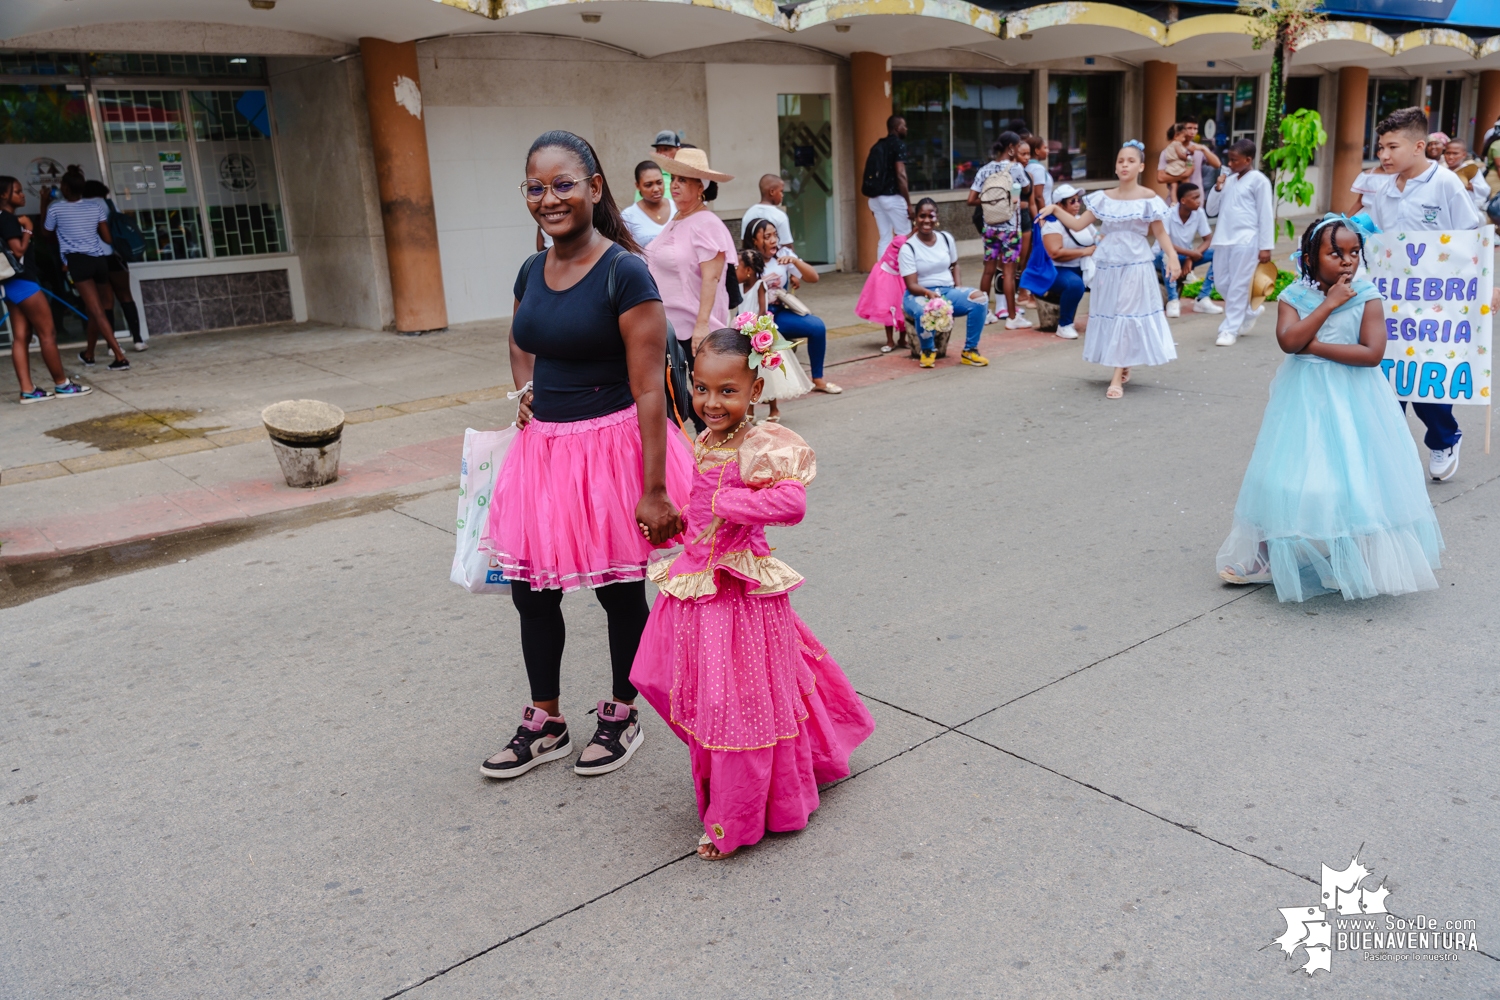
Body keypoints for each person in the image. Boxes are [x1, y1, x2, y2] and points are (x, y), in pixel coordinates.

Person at [478, 130, 695, 781]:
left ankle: (622, 711)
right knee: (531, 592)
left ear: (595, 189)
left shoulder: (625, 272)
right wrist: (525, 389)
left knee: (617, 591)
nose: (549, 198)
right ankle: (546, 719)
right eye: (536, 187)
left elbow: (649, 388)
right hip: (543, 452)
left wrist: (654, 489)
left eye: (564, 184)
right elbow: (520, 335)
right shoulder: (530, 268)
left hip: (612, 450)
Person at [629, 326, 875, 860]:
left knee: (732, 705)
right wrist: (672, 530)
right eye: (702, 388)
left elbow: (792, 505)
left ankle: (736, 817)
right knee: (657, 676)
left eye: (728, 391)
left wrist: (729, 505)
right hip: (694, 580)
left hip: (737, 590)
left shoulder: (763, 444)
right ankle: (742, 776)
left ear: (755, 390)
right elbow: (697, 512)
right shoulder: (706, 438)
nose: (711, 403)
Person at [1217, 215, 1443, 601]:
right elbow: (1289, 341)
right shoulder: (1292, 296)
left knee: (1351, 474)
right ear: (1309, 257)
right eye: (1335, 252)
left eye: (1354, 252)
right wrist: (1329, 304)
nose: (1347, 260)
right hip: (1302, 397)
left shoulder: (1368, 294)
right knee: (1281, 473)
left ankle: (1349, 557)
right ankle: (1269, 555)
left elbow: (1371, 353)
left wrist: (1316, 346)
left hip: (1353, 397)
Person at [1354, 106, 1486, 482]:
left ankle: (1445, 437)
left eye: (1392, 147)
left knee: (1427, 378)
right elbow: (1376, 244)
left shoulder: (1445, 183)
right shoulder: (1381, 189)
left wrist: (1485, 287)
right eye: (1380, 147)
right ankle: (1388, 453)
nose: (1383, 155)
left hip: (1438, 303)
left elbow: (1471, 239)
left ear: (1419, 146)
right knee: (1387, 378)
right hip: (1391, 301)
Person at [1043, 140, 1178, 399]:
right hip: (1107, 264)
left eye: (1130, 161)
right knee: (1114, 314)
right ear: (1115, 167)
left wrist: (1172, 257)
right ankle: (1123, 360)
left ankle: (1117, 376)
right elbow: (1078, 223)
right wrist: (1054, 210)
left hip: (1136, 263)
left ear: (1141, 166)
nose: (1124, 165)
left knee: (1126, 314)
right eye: (1120, 161)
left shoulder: (1149, 197)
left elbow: (1159, 232)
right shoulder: (1102, 198)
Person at [1, 175, 91, 402]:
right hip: (24, 281)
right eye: (17, 191)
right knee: (48, 333)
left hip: (9, 283)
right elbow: (18, 251)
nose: (22, 195)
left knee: (21, 337)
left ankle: (28, 390)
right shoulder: (9, 220)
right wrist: (29, 229)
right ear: (4, 195)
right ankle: (62, 384)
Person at [644, 145, 737, 353]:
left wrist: (702, 325)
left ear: (700, 187)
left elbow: (711, 278)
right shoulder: (678, 218)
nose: (674, 185)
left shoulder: (707, 224)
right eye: (674, 178)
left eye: (683, 180)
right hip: (668, 326)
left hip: (694, 330)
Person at [45, 165, 129, 371]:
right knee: (96, 309)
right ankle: (89, 354)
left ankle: (119, 356)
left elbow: (46, 233)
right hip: (99, 260)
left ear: (64, 188)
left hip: (78, 262)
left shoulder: (55, 208)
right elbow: (107, 237)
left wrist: (42, 202)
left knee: (96, 309)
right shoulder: (95, 207)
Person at [745, 218, 839, 396]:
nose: (773, 240)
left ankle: (817, 378)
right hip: (754, 317)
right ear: (754, 241)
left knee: (817, 327)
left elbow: (813, 278)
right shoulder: (746, 260)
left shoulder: (783, 254)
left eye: (775, 235)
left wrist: (795, 262)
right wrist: (760, 284)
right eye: (767, 236)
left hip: (779, 313)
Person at [900, 198, 989, 369]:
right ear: (915, 219)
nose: (927, 220)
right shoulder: (908, 248)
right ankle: (927, 351)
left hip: (947, 291)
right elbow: (911, 285)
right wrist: (930, 295)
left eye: (931, 216)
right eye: (922, 216)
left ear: (937, 217)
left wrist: (958, 286)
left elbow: (954, 265)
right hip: (918, 294)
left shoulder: (946, 239)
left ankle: (970, 350)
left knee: (979, 299)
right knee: (924, 309)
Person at [1205, 139, 1274, 347]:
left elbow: (1265, 214)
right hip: (1224, 239)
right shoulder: (1229, 181)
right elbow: (1210, 210)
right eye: (1229, 159)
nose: (1230, 163)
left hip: (1247, 240)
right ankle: (1250, 310)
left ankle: (1229, 329)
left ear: (1248, 159)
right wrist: (1217, 188)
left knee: (1238, 286)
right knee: (1222, 283)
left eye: (1235, 160)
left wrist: (1265, 246)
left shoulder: (1258, 180)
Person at [967, 133, 1032, 330]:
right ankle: (1012, 318)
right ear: (1011, 147)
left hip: (989, 228)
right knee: (1009, 273)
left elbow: (971, 200)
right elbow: (1027, 190)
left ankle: (984, 313)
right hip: (1010, 229)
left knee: (988, 269)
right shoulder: (1017, 169)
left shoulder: (984, 169)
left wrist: (990, 202)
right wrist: (1006, 201)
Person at [82, 179, 144, 351]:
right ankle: (138, 340)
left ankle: (112, 345)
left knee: (105, 301)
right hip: (113, 255)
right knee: (125, 295)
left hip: (93, 258)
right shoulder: (107, 204)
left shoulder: (78, 206)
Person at [1032, 184, 1095, 340]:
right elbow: (1055, 253)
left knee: (1108, 278)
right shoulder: (1052, 224)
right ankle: (1065, 324)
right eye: (1072, 201)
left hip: (1083, 265)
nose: (1077, 204)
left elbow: (1097, 237)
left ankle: (1102, 318)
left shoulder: (1081, 220)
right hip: (1056, 270)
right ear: (1059, 205)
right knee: (1074, 284)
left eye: (1078, 200)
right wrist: (1083, 252)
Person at [1155, 182, 1219, 318]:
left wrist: (1190, 258)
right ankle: (1173, 300)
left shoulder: (1199, 213)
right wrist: (1191, 254)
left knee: (1219, 254)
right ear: (1183, 201)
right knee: (1166, 256)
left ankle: (1202, 299)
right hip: (1161, 257)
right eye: (1194, 198)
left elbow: (1208, 239)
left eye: (1199, 197)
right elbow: (1164, 244)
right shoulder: (1168, 214)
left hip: (1184, 256)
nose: (1199, 201)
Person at [864, 115, 912, 260]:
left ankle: (881, 273)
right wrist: (908, 204)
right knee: (905, 235)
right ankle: (905, 271)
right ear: (897, 128)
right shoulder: (899, 145)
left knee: (884, 237)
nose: (906, 129)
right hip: (893, 198)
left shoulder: (878, 145)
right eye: (904, 126)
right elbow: (901, 175)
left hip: (876, 198)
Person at [853, 230, 910, 353]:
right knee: (888, 309)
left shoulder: (915, 243)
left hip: (901, 275)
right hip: (886, 275)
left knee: (904, 308)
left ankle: (902, 339)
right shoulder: (900, 240)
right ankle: (890, 340)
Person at [621, 161, 676, 248]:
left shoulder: (677, 208)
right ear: (637, 186)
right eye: (648, 185)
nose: (656, 189)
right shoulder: (628, 216)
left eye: (659, 182)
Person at [1158, 122, 1221, 197]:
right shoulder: (1167, 151)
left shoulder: (1199, 148)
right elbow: (1160, 178)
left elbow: (1217, 165)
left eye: (1195, 129)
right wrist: (1185, 175)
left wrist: (1203, 149)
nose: (1192, 132)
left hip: (1195, 199)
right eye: (1189, 128)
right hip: (1178, 200)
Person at [740, 174, 793, 254]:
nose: (782, 195)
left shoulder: (749, 213)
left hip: (753, 262)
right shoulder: (779, 216)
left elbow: (745, 242)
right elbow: (787, 246)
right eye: (781, 191)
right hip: (776, 262)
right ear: (772, 192)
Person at [1441, 139, 1491, 215]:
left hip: (1465, 210)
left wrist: (1472, 187)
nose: (1450, 157)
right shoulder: (1441, 170)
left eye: (1455, 153)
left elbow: (1485, 190)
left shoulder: (1471, 171)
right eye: (1448, 153)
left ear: (1464, 155)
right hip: (1444, 210)